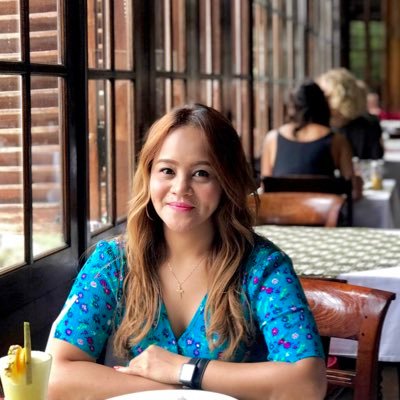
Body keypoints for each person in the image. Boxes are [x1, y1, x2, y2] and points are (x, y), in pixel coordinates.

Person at [46, 104, 327, 400]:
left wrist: (184, 369)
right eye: (167, 170)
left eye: (202, 173)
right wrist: (180, 390)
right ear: (148, 175)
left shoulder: (262, 267)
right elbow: (56, 376)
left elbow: (308, 383)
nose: (181, 188)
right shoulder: (113, 262)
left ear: (226, 182)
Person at [261, 80, 354, 180]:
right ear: (323, 106)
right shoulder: (337, 140)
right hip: (321, 191)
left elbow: (266, 184)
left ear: (292, 107)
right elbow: (351, 184)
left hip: (282, 191)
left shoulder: (272, 138)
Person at [317, 68, 384, 160]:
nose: (319, 100)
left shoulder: (369, 126)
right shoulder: (318, 128)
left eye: (326, 97)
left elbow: (375, 161)